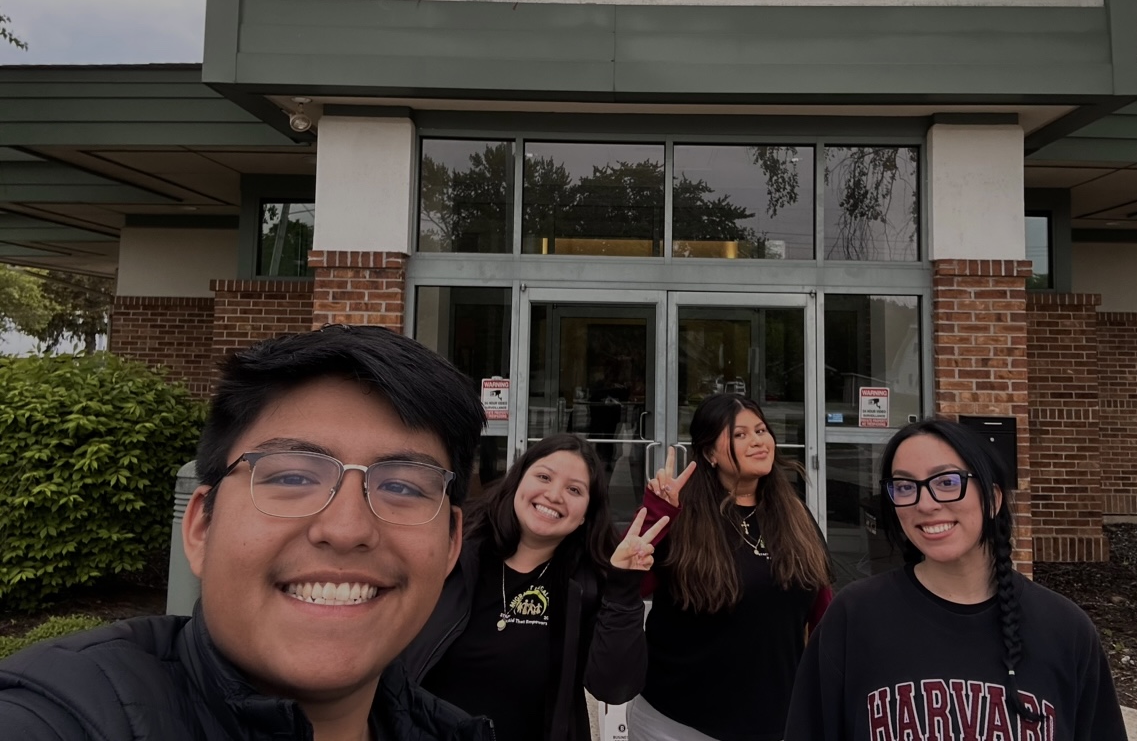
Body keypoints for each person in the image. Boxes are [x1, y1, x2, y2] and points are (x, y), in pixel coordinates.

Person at [0, 324, 491, 741]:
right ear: (200, 527)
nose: (346, 529)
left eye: (403, 486)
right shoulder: (68, 713)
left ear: (450, 544)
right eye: (292, 477)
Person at [784, 418, 1129, 741]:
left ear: (992, 499)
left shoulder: (1065, 630)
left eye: (947, 482)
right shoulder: (855, 617)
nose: (926, 503)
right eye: (905, 486)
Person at [405, 433, 662, 741]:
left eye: (574, 490)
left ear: (585, 516)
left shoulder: (588, 585)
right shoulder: (453, 553)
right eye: (543, 476)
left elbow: (614, 686)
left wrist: (622, 587)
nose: (554, 495)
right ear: (517, 481)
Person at [633, 394, 833, 741]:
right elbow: (627, 586)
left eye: (760, 430)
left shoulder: (794, 516)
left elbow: (822, 605)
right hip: (676, 723)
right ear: (709, 453)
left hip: (773, 721)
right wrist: (658, 513)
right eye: (739, 435)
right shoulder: (682, 516)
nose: (757, 440)